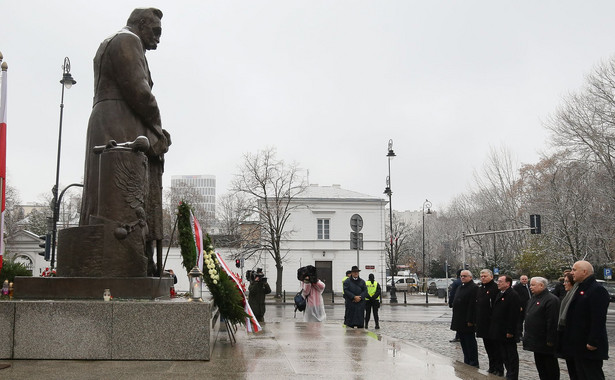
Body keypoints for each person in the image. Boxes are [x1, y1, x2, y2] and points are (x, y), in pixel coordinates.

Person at [80, 7, 171, 276]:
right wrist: (158, 131)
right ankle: (122, 261)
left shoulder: (112, 42)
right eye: (155, 31)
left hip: (110, 117)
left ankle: (111, 256)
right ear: (141, 25)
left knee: (102, 190)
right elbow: (140, 92)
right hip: (119, 121)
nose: (158, 38)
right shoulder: (127, 41)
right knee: (121, 188)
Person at [560, 260, 610, 380]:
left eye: (574, 270)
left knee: (591, 374)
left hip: (588, 346)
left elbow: (598, 319)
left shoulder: (596, 290)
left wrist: (593, 341)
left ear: (584, 272)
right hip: (578, 344)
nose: (571, 273)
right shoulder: (580, 288)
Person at [523, 276, 560, 380]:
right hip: (535, 339)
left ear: (541, 285)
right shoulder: (533, 298)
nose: (530, 287)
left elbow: (552, 321)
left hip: (545, 341)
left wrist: (550, 339)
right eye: (530, 285)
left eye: (533, 285)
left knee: (549, 366)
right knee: (541, 367)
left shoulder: (551, 300)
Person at [491, 275, 521, 380]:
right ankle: (509, 373)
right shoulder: (500, 293)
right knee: (504, 354)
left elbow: (513, 315)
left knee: (511, 355)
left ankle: (512, 375)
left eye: (500, 281)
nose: (498, 283)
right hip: (499, 330)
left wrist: (510, 331)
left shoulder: (513, 295)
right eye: (498, 281)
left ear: (508, 283)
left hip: (507, 331)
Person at [475, 269, 503, 376]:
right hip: (483, 323)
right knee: (488, 347)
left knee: (496, 348)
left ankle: (499, 368)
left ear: (491, 277)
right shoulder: (480, 288)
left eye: (485, 276)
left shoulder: (495, 288)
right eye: (481, 276)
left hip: (492, 323)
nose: (483, 278)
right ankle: (492, 367)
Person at [450, 270, 478, 367]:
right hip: (459, 319)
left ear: (470, 277)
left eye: (465, 276)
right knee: (463, 343)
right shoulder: (460, 287)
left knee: (470, 343)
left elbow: (472, 305)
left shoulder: (474, 288)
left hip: (467, 320)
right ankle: (467, 361)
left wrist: (470, 320)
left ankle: (473, 362)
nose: (462, 277)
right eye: (461, 276)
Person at [557, 272, 578, 380]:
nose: (564, 284)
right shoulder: (567, 295)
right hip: (566, 337)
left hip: (574, 339)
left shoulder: (574, 296)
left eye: (566, 281)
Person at [512, 274, 531, 340]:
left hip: (529, 306)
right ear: (520, 280)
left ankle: (527, 334)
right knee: (520, 321)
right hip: (521, 306)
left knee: (528, 321)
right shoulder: (517, 287)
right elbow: (515, 297)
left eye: (525, 279)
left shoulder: (529, 286)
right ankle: (519, 334)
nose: (524, 280)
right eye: (523, 279)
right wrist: (519, 305)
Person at [448, 269, 462, 343]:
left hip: (457, 304)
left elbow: (452, 294)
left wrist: (450, 303)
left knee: (458, 321)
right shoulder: (469, 283)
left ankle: (458, 337)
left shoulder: (456, 282)